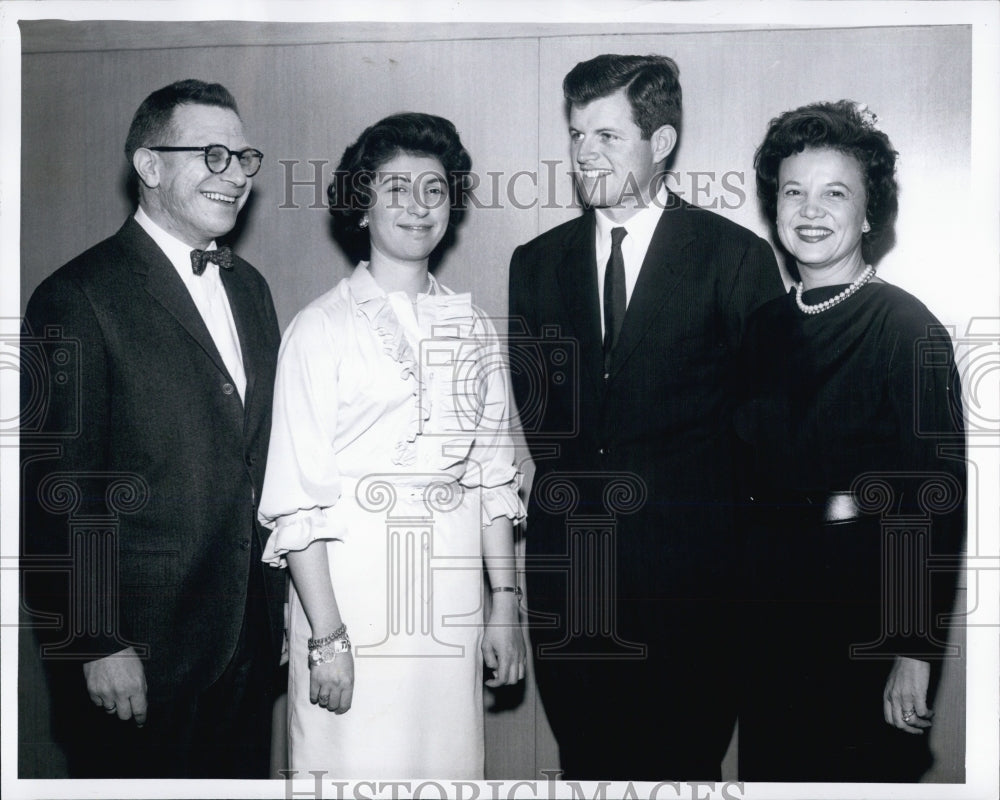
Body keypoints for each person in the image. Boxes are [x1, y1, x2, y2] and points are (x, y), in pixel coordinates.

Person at [508, 54, 783, 779]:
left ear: (660, 144)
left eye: (606, 136)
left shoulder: (733, 257)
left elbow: (764, 435)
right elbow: (547, 426)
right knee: (587, 770)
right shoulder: (535, 265)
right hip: (574, 583)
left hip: (692, 587)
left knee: (682, 769)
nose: (583, 154)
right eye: (575, 135)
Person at [20, 79, 285, 778]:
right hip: (137, 660)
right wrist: (96, 640)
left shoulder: (251, 289)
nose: (235, 177)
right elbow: (58, 491)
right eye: (212, 155)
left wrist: (278, 611)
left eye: (244, 158)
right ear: (149, 165)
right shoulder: (76, 297)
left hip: (245, 649)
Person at [257, 112, 526, 779]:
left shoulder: (472, 328)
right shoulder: (319, 329)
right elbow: (295, 502)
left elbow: (494, 479)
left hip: (449, 610)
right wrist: (327, 638)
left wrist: (503, 606)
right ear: (362, 203)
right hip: (351, 608)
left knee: (448, 770)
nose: (418, 207)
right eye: (397, 188)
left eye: (434, 189)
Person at [735, 99, 966, 781]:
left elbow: (934, 502)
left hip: (864, 634)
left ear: (869, 213)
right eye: (793, 192)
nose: (810, 210)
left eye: (835, 193)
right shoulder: (762, 328)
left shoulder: (907, 330)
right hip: (770, 630)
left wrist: (913, 653)